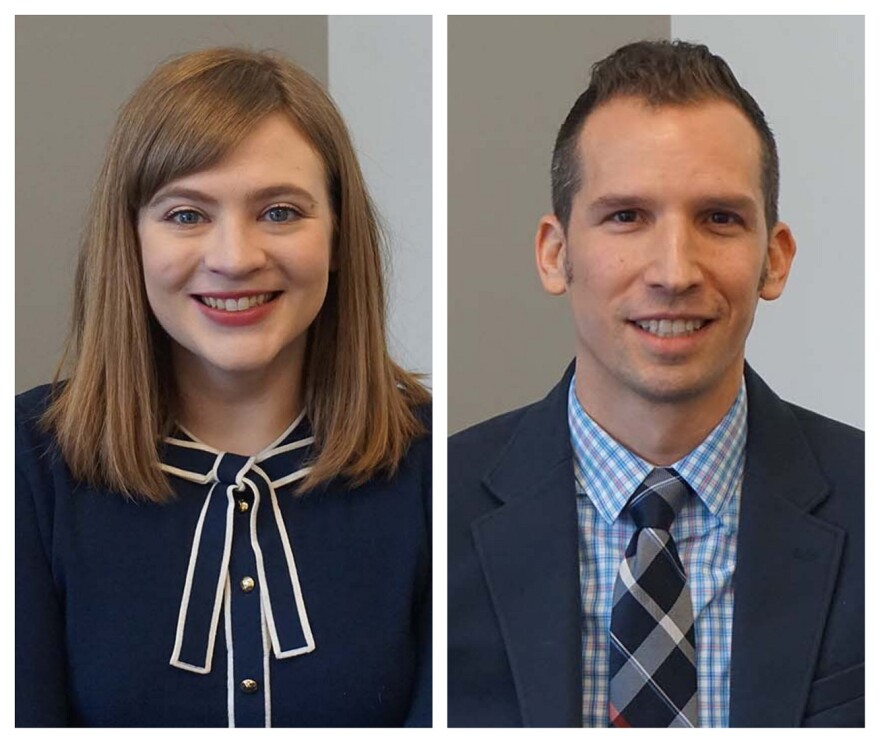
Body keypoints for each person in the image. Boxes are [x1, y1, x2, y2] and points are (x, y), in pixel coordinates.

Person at [448, 40, 863, 728]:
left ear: (775, 258)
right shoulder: (433, 507)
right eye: (627, 216)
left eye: (719, 219)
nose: (674, 270)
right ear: (556, 254)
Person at [16, 47, 431, 728]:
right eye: (186, 215)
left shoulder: (434, 472)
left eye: (280, 212)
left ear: (337, 235)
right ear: (132, 241)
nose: (235, 257)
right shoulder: (27, 469)